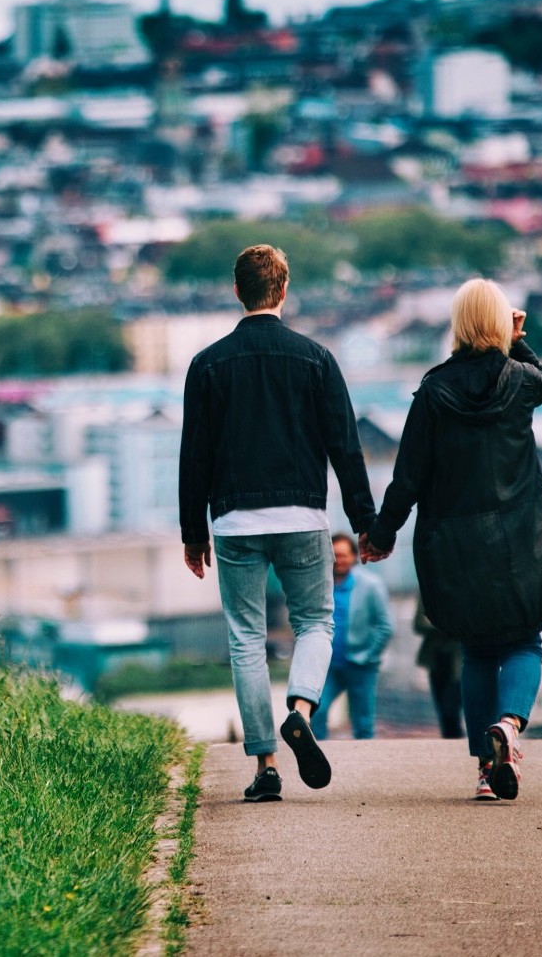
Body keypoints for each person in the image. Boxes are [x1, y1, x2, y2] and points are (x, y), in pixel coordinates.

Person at [179, 244, 378, 803]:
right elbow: (346, 447)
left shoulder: (207, 364)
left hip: (235, 520)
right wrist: (365, 522)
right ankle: (301, 709)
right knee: (315, 622)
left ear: (237, 291)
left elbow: (193, 456)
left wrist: (193, 533)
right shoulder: (316, 358)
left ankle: (266, 765)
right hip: (302, 516)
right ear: (284, 291)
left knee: (246, 639)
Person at [360, 278, 542, 803]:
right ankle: (510, 726)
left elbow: (408, 475)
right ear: (499, 322)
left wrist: (382, 535)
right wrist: (516, 338)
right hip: (521, 536)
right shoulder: (520, 382)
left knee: (476, 651)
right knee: (524, 639)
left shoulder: (433, 391)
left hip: (457, 543)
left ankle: (483, 771)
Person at [313, 533, 394, 741]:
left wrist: (368, 656)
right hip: (328, 666)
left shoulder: (371, 585)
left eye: (343, 555)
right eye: (334, 555)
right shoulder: (320, 585)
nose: (338, 560)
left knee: (363, 723)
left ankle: (364, 766)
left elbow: (385, 626)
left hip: (361, 665)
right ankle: (318, 759)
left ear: (353, 556)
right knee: (317, 712)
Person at [413, 606, 465, 741]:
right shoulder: (428, 586)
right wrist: (449, 625)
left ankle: (457, 743)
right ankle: (450, 746)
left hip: (459, 660)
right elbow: (419, 623)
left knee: (450, 710)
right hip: (436, 659)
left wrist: (438, 623)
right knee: (443, 712)